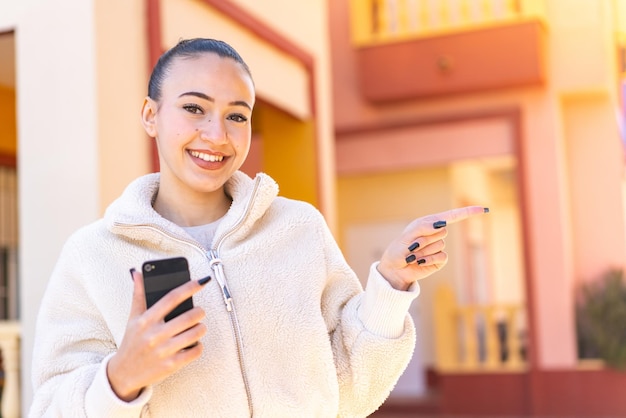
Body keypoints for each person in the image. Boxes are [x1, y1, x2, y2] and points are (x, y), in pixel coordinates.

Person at [29, 38, 487, 417]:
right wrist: (120, 379)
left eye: (237, 115)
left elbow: (352, 387)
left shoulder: (299, 228)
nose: (217, 135)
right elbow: (48, 407)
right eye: (194, 108)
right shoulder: (93, 255)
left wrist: (392, 281)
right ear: (151, 115)